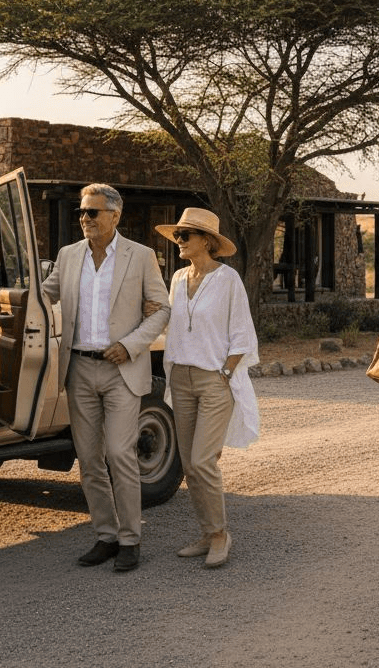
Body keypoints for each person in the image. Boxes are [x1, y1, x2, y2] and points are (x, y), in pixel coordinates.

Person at [41, 183, 170, 572]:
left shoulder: (141, 256)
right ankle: (106, 536)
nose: (85, 219)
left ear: (115, 215)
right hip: (78, 368)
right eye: (81, 212)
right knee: (89, 458)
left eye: (92, 212)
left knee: (119, 453)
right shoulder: (67, 255)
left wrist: (130, 345)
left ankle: (131, 539)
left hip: (121, 369)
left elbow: (162, 310)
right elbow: (41, 296)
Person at [154, 207, 259, 568]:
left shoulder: (228, 279)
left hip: (214, 379)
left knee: (202, 460)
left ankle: (219, 535)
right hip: (180, 379)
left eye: (185, 235)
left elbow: (242, 334)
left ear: (207, 241)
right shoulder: (178, 278)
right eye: (177, 236)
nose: (178, 241)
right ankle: (206, 531)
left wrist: (225, 375)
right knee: (190, 463)